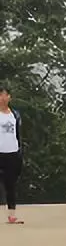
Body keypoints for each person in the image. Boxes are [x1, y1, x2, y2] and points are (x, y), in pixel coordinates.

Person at [0, 83, 23, 225]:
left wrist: (20, 150)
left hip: (12, 153)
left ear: (9, 97)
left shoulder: (15, 114)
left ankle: (11, 215)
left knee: (11, 185)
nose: (2, 98)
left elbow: (18, 134)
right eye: (0, 95)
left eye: (5, 95)